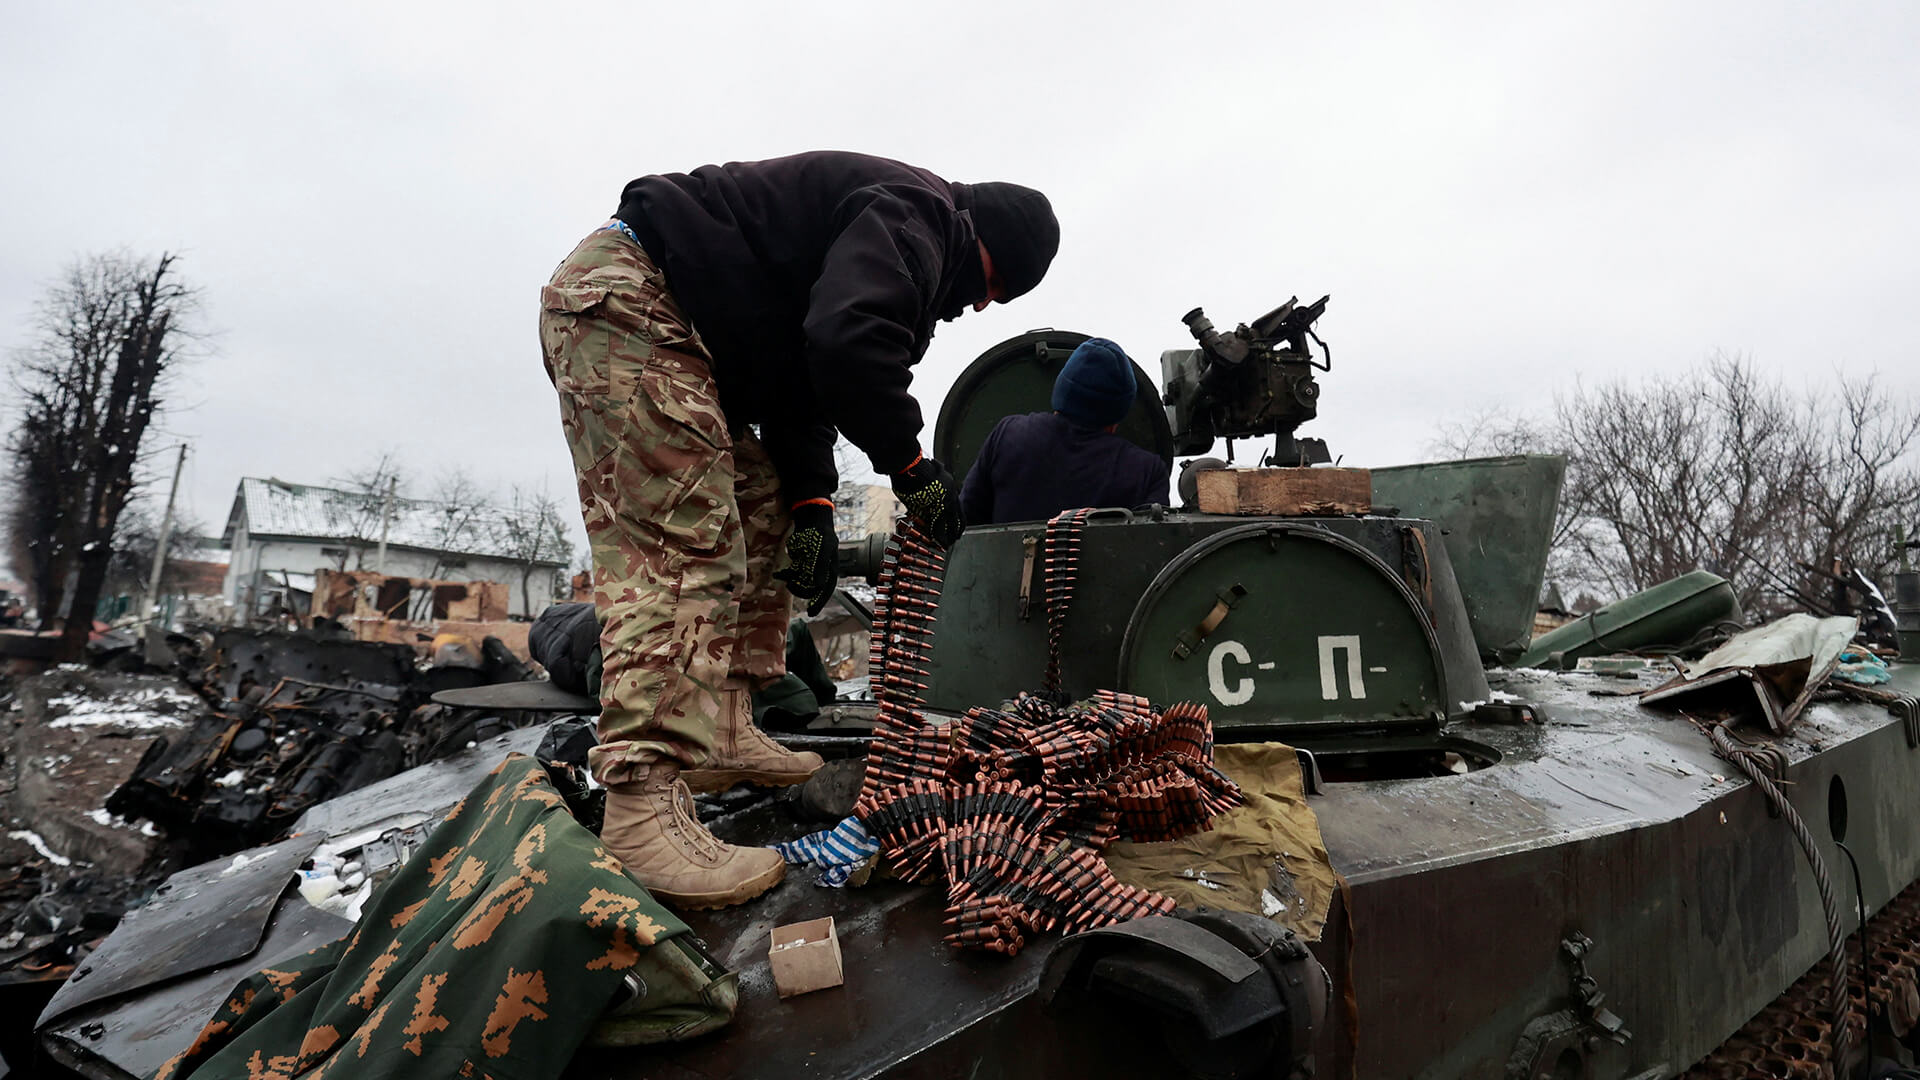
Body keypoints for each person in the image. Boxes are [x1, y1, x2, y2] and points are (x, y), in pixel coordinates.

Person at [539, 152, 1059, 909]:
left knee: (759, 498)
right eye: (989, 288)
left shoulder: (905, 225)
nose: (976, 308)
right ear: (984, 244)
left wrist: (812, 503)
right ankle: (640, 805)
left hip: (669, 319)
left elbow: (802, 381)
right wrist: (910, 465)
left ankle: (723, 722)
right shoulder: (921, 217)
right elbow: (850, 341)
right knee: (686, 536)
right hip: (628, 299)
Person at [959, 337, 1171, 524]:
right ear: (1118, 413)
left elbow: (965, 520)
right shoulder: (1146, 471)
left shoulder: (1008, 435)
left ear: (1061, 389)